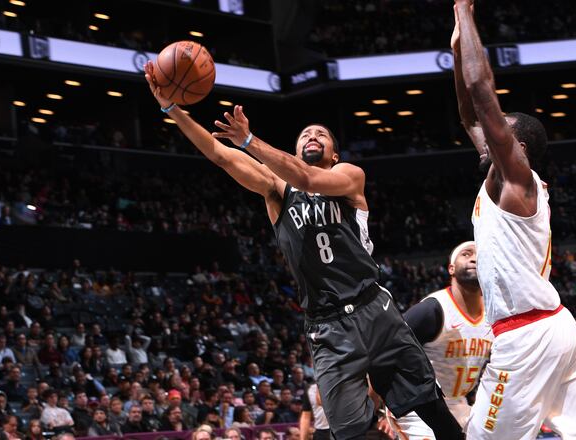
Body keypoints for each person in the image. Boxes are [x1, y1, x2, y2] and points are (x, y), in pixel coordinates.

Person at [145, 60, 462, 440]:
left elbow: (308, 176)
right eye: (306, 134)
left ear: (334, 154)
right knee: (350, 432)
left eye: (321, 134)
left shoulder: (348, 177)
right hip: (328, 327)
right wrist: (171, 109)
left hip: (374, 310)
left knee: (431, 407)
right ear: (294, 149)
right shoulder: (277, 190)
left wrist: (250, 140)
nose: (312, 135)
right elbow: (218, 153)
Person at [451, 2, 576, 439]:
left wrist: (465, 11)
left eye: (499, 129)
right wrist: (458, 38)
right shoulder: (502, 178)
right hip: (552, 326)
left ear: (517, 145)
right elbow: (470, 111)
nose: (488, 131)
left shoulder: (517, 181)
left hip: (526, 336)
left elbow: (481, 92)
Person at [380, 241, 492, 439]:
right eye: (466, 254)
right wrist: (381, 403)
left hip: (459, 403)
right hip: (420, 405)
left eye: (480, 255)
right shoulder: (433, 309)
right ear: (451, 268)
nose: (474, 258)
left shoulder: (494, 313)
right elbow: (386, 350)